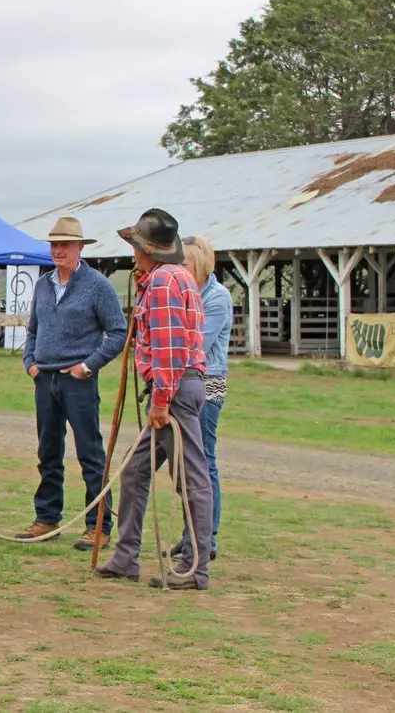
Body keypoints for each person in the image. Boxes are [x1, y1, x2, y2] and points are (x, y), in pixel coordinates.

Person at [94, 208, 213, 590]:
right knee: (135, 471)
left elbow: (169, 349)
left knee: (191, 478)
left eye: (135, 246)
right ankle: (125, 557)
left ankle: (196, 569)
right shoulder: (173, 277)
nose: (133, 252)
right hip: (178, 387)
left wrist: (160, 400)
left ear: (146, 250)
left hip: (173, 390)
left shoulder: (162, 283)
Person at [18, 216, 128, 551]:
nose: (58, 250)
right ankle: (47, 518)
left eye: (65, 244)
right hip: (45, 378)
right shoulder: (43, 284)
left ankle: (98, 525)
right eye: (54, 244)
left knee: (90, 454)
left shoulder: (97, 285)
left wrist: (88, 366)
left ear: (80, 247)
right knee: (48, 452)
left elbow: (118, 332)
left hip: (78, 381)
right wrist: (30, 363)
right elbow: (33, 329)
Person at [170, 234, 230, 561]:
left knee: (204, 459)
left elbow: (197, 344)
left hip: (207, 383)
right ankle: (191, 533)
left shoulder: (217, 297)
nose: (180, 268)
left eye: (185, 262)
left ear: (202, 263)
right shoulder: (185, 293)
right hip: (185, 381)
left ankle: (207, 538)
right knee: (185, 463)